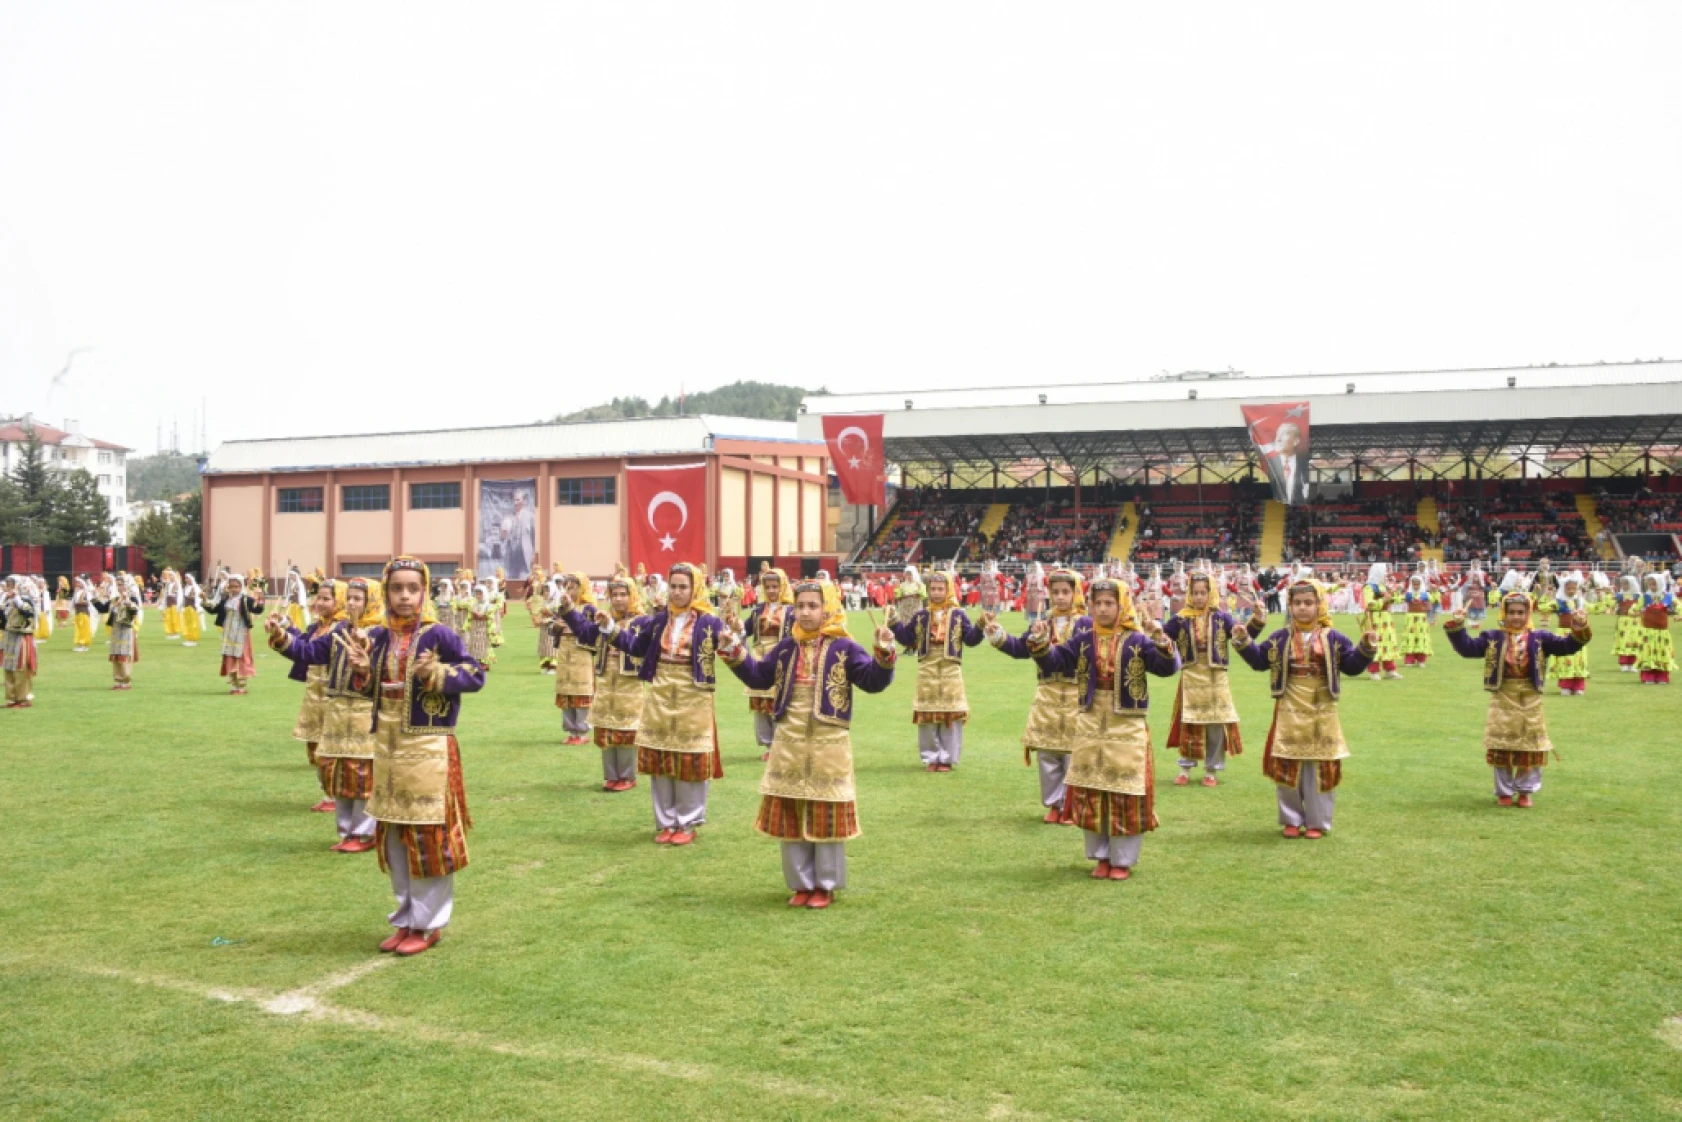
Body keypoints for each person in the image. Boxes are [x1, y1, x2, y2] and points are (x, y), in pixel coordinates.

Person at [337, 557, 484, 956]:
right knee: (396, 838)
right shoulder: (378, 637)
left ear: (425, 591)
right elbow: (367, 691)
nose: (404, 596)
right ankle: (405, 917)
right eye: (396, 589)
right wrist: (364, 671)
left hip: (427, 749)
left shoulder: (441, 636)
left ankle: (429, 922)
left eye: (412, 589)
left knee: (427, 836)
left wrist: (434, 673)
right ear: (385, 592)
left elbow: (476, 674)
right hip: (387, 750)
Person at [720, 580, 897, 908]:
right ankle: (800, 884)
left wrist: (884, 655)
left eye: (813, 606)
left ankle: (825, 885)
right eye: (800, 606)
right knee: (791, 810)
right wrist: (735, 651)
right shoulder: (787, 648)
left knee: (824, 811)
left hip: (829, 743)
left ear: (828, 607)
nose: (805, 612)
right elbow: (759, 677)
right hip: (788, 741)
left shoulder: (845, 647)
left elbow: (873, 681)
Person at [560, 562, 728, 845]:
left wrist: (733, 640)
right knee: (660, 758)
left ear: (695, 588)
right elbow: (636, 648)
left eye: (683, 587)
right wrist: (610, 628)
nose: (676, 592)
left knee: (689, 758)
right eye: (673, 586)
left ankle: (686, 822)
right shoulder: (659, 621)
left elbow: (732, 649)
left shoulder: (710, 623)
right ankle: (665, 821)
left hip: (694, 698)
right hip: (661, 695)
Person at [1026, 578, 1180, 880]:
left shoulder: (1137, 640)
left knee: (1125, 790)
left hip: (1127, 723)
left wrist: (1163, 643)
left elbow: (1166, 668)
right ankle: (1100, 856)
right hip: (1091, 720)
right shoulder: (1084, 639)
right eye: (1097, 603)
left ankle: (1121, 859)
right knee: (1092, 787)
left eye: (1109, 603)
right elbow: (1056, 662)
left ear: (1122, 605)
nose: (1102, 608)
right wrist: (1041, 643)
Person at [1235, 579, 1378, 839]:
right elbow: (1258, 661)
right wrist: (1244, 640)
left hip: (1322, 707)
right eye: (1297, 603)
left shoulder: (1334, 637)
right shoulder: (1280, 638)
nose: (1302, 608)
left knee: (1320, 765)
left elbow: (1352, 667)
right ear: (1290, 605)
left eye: (1308, 603)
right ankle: (1291, 819)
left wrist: (1366, 647)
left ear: (1319, 604)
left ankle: (1317, 822)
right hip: (1289, 705)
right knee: (1288, 761)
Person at [1444, 591, 1590, 808]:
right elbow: (1467, 649)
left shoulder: (1541, 637)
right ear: (1504, 613)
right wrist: (1457, 625)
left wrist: (1578, 625)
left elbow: (1567, 646)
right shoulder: (1492, 637)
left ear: (1528, 613)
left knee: (1531, 747)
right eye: (1511, 612)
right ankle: (1504, 792)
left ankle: (1525, 791)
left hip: (1531, 697)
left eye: (1521, 612)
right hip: (1502, 696)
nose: (1516, 617)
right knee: (1501, 745)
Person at [268, 577, 384, 850]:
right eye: (350, 598)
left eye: (359, 599)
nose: (352, 603)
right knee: (337, 773)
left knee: (362, 775)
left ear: (372, 602)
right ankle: (346, 832)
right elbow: (307, 652)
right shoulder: (338, 631)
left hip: (364, 715)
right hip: (335, 714)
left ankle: (365, 833)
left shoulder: (382, 634)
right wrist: (281, 635)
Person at [985, 568, 1089, 822]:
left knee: (1073, 753)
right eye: (1056, 592)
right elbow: (1021, 649)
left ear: (1077, 593)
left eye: (1066, 592)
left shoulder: (1087, 624)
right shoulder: (1044, 622)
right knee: (1047, 753)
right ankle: (1054, 804)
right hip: (1046, 696)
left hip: (1076, 695)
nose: (1061, 597)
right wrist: (998, 635)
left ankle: (1072, 805)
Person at [888, 568, 986, 772]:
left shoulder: (959, 615)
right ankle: (931, 758)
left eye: (941, 589)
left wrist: (980, 626)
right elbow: (907, 638)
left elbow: (971, 640)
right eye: (933, 588)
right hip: (927, 669)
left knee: (950, 714)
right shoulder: (921, 615)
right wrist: (894, 622)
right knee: (927, 715)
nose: (936, 593)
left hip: (950, 669)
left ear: (949, 589)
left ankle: (947, 758)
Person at [1161, 571, 1244, 788]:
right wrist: (1149, 629)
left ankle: (1211, 770)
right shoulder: (1181, 618)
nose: (1199, 597)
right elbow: (1162, 635)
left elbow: (1240, 635)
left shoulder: (1222, 617)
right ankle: (1185, 768)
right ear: (1189, 594)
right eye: (1195, 592)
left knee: (1216, 723)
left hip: (1216, 676)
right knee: (1188, 721)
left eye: (1203, 593)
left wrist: (1254, 624)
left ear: (1210, 593)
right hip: (1191, 674)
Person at [276, 577, 346, 814]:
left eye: (327, 598)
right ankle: (327, 792)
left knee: (332, 748)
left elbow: (313, 651)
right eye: (319, 597)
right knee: (315, 746)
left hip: (333, 698)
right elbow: (305, 645)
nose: (320, 602)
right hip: (313, 696)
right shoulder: (319, 627)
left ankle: (337, 794)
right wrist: (286, 627)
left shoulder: (341, 628)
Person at [579, 567, 647, 791]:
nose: (618, 600)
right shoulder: (604, 619)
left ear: (632, 596)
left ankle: (627, 776)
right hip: (607, 681)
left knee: (626, 730)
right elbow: (590, 642)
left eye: (623, 595)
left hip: (630, 684)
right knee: (606, 727)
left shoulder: (642, 622)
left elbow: (644, 651)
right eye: (614, 595)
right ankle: (611, 775)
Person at [739, 568, 795, 761]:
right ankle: (768, 743)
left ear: (783, 587)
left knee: (777, 702)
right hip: (758, 656)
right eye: (768, 587)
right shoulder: (758, 610)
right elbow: (745, 631)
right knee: (759, 705)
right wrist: (735, 626)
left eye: (775, 586)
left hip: (780, 658)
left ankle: (780, 745)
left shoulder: (791, 611)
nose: (771, 591)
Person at [547, 571, 598, 744]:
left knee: (580, 693)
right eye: (567, 587)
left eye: (574, 588)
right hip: (564, 654)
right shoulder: (562, 607)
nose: (570, 591)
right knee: (566, 694)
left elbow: (591, 633)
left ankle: (582, 732)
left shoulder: (589, 608)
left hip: (581, 655)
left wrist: (572, 625)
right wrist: (556, 626)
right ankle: (570, 731)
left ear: (582, 588)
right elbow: (550, 628)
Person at [209, 571, 264, 694]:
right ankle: (234, 685)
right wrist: (203, 599)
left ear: (241, 587)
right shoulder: (226, 600)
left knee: (241, 657)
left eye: (236, 587)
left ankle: (241, 686)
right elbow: (213, 609)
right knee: (229, 656)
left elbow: (257, 610)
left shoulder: (245, 600)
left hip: (241, 632)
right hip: (228, 632)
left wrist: (260, 598)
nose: (234, 589)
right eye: (231, 586)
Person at [94, 574, 142, 690]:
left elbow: (135, 611)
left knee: (124, 656)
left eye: (122, 585)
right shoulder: (115, 599)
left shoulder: (132, 598)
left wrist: (126, 601)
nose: (120, 588)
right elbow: (102, 608)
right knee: (116, 656)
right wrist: (94, 597)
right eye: (118, 585)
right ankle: (118, 680)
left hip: (126, 631)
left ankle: (126, 681)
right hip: (116, 630)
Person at [1548, 572, 1590, 695]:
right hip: (1564, 633)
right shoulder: (1558, 602)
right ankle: (1565, 686)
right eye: (1569, 588)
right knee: (1565, 657)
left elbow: (1594, 608)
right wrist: (1546, 596)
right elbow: (1542, 606)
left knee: (1578, 657)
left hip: (1578, 632)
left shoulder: (1580, 602)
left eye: (1574, 588)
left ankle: (1578, 686)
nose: (1571, 591)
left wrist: (1607, 598)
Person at [1359, 565, 1401, 680]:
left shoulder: (1384, 586)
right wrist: (1383, 600)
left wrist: (1394, 593)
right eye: (1385, 571)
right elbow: (1369, 603)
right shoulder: (1369, 587)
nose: (1386, 573)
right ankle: (1374, 671)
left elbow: (1396, 600)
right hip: (1374, 618)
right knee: (1374, 643)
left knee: (1388, 643)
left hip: (1386, 618)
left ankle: (1390, 669)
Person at [2, 577, 38, 708]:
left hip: (21, 637)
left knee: (20, 668)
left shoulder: (25, 600)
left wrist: (16, 597)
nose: (9, 587)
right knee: (8, 667)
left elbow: (27, 612)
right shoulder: (7, 601)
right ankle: (12, 698)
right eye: (8, 584)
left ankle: (23, 698)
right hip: (9, 637)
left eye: (12, 584)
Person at [1637, 573, 1676, 685]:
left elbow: (1678, 605)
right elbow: (1634, 608)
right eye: (1650, 584)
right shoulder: (1645, 597)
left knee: (1662, 652)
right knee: (1648, 651)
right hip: (1649, 630)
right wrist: (1635, 611)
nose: (1652, 586)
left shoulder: (1667, 596)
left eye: (1654, 584)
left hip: (1662, 631)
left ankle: (1661, 676)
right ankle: (1648, 676)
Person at [1399, 573, 1435, 667]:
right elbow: (1399, 599)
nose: (1416, 586)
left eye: (1417, 584)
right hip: (1411, 618)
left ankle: (1421, 660)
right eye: (1414, 584)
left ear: (1421, 584)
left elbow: (1433, 599)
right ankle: (1409, 659)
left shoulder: (1425, 594)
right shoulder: (1408, 594)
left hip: (1421, 619)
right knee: (1410, 637)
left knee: (1421, 638)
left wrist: (1433, 591)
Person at [527, 564, 557, 673]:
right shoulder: (544, 602)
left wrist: (547, 618)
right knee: (544, 646)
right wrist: (540, 619)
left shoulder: (555, 603)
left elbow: (556, 616)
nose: (546, 593)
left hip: (552, 628)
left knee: (552, 647)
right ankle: (545, 665)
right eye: (544, 591)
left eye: (548, 591)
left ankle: (553, 666)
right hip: (544, 628)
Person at [1612, 574, 1642, 672]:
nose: (1624, 586)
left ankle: (1632, 663)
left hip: (1635, 621)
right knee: (1624, 641)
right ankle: (1624, 663)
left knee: (1634, 641)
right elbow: (1611, 603)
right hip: (1623, 621)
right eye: (1623, 584)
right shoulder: (1620, 595)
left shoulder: (1638, 596)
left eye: (1626, 584)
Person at [70, 575, 96, 651]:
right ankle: (79, 644)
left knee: (84, 629)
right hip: (78, 612)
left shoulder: (86, 592)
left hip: (84, 612)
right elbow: (73, 602)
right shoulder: (77, 592)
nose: (77, 584)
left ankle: (84, 644)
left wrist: (81, 602)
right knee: (79, 629)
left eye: (79, 582)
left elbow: (89, 602)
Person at [181, 573, 205, 646]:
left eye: (187, 578)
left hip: (192, 608)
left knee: (193, 624)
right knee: (187, 624)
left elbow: (198, 598)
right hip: (186, 608)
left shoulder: (195, 588)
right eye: (185, 578)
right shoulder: (186, 587)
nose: (186, 580)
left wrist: (198, 608)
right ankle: (188, 638)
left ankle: (193, 639)